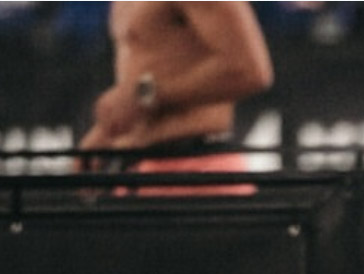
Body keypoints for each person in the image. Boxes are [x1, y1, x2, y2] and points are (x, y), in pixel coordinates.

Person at [78, 1, 273, 194]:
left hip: (198, 173)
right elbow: (150, 67)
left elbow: (248, 70)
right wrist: (107, 135)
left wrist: (146, 95)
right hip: (141, 171)